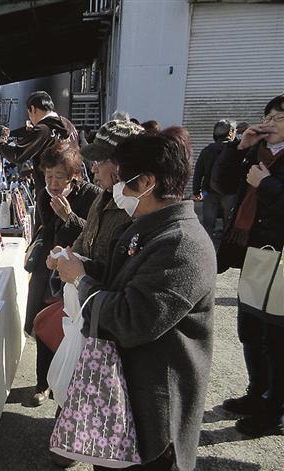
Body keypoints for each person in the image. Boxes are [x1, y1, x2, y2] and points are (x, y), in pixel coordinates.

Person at [52, 128, 216, 470]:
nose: (114, 188)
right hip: (120, 396)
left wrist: (80, 279)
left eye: (123, 181)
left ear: (147, 183)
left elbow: (130, 320)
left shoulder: (181, 244)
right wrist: (80, 265)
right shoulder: (146, 225)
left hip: (152, 410)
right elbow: (118, 277)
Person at [214, 95, 284, 437]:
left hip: (280, 258)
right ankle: (257, 392)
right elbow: (221, 184)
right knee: (250, 329)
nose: (271, 123)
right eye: (268, 116)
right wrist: (238, 147)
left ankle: (274, 409)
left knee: (277, 337)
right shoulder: (256, 153)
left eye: (280, 118)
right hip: (254, 254)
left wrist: (266, 184)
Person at [28, 141, 101, 406]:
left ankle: (67, 381)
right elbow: (43, 230)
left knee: (68, 327)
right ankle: (41, 383)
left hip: (76, 274)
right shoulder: (43, 195)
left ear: (74, 175)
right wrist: (47, 257)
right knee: (43, 322)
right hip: (48, 270)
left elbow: (93, 236)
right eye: (48, 176)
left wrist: (69, 217)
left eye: (60, 176)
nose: (54, 182)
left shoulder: (92, 196)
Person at [48, 119, 143, 286]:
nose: (93, 169)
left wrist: (69, 218)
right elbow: (85, 239)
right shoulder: (102, 197)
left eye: (99, 162)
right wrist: (65, 256)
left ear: (121, 166)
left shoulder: (135, 210)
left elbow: (116, 279)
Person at [0, 91, 78, 195]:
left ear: (33, 109)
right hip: (72, 188)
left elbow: (17, 155)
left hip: (49, 192)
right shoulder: (68, 125)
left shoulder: (42, 130)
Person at [192, 119, 237, 238]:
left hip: (208, 192)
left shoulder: (207, 150)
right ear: (231, 133)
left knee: (208, 225)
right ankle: (225, 247)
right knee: (229, 224)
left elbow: (198, 173)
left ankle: (207, 248)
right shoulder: (237, 150)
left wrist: (196, 192)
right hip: (231, 193)